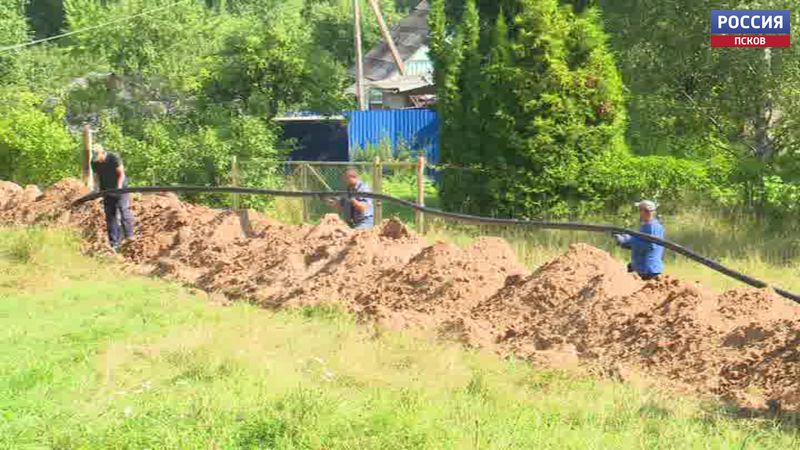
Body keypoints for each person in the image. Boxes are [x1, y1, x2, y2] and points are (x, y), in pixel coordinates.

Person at [91, 144, 135, 251]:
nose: (98, 160)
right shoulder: (94, 162)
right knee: (110, 216)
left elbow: (121, 174)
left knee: (124, 210)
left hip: (121, 188)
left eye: (99, 158)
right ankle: (114, 243)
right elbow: (96, 176)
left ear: (103, 153)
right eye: (96, 158)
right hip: (106, 190)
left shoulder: (113, 157)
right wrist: (97, 189)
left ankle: (129, 236)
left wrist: (119, 188)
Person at [613, 200, 664, 280]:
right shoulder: (647, 225)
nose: (639, 213)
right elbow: (640, 240)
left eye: (640, 210)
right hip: (642, 266)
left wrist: (627, 240)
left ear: (646, 212)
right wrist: (625, 239)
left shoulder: (652, 227)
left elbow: (651, 246)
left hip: (648, 269)